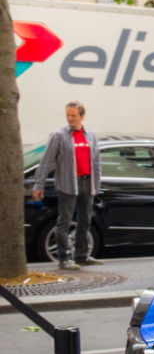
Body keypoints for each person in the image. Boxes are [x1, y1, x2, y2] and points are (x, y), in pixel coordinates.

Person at [32, 102, 103, 270]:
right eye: (68, 115)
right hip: (68, 183)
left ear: (82, 116)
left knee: (85, 220)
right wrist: (39, 184)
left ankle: (81, 255)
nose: (70, 119)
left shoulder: (90, 135)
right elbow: (46, 161)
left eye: (74, 116)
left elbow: (97, 161)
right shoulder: (59, 135)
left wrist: (97, 182)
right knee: (64, 221)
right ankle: (64, 258)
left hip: (87, 181)